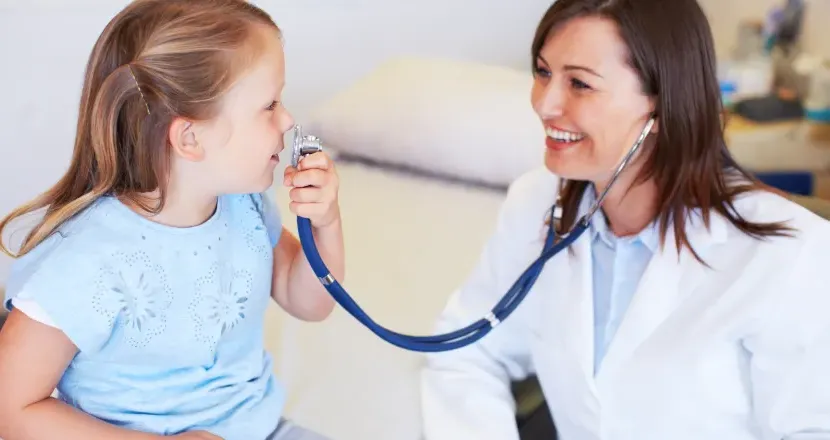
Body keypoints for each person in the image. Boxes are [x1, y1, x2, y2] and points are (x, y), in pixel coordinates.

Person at [419, 0, 830, 439]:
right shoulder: (535, 203)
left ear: (661, 105)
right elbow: (466, 351)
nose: (544, 103)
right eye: (543, 72)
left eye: (579, 83)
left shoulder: (792, 254)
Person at [0, 1, 344, 439]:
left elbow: (311, 302)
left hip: (254, 428)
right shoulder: (87, 261)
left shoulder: (244, 205)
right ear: (190, 138)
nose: (288, 119)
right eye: (270, 104)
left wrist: (324, 224)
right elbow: (11, 410)